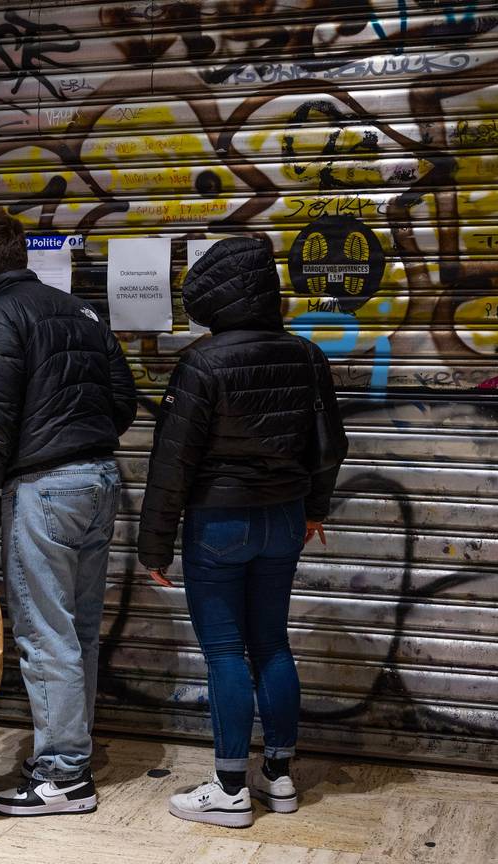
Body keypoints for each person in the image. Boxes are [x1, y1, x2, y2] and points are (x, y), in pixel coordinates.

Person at [137, 236, 346, 828]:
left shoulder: (201, 364)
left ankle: (229, 788)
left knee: (226, 652)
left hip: (219, 524)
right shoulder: (307, 356)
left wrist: (154, 543)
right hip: (284, 517)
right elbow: (330, 446)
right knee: (273, 645)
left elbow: (171, 463)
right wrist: (315, 510)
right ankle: (278, 779)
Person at [0, 213, 137, 817]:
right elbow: (125, 398)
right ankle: (69, 752)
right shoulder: (79, 311)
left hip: (45, 489)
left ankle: (63, 774)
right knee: (77, 629)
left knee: (44, 633)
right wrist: (85, 438)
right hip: (99, 481)